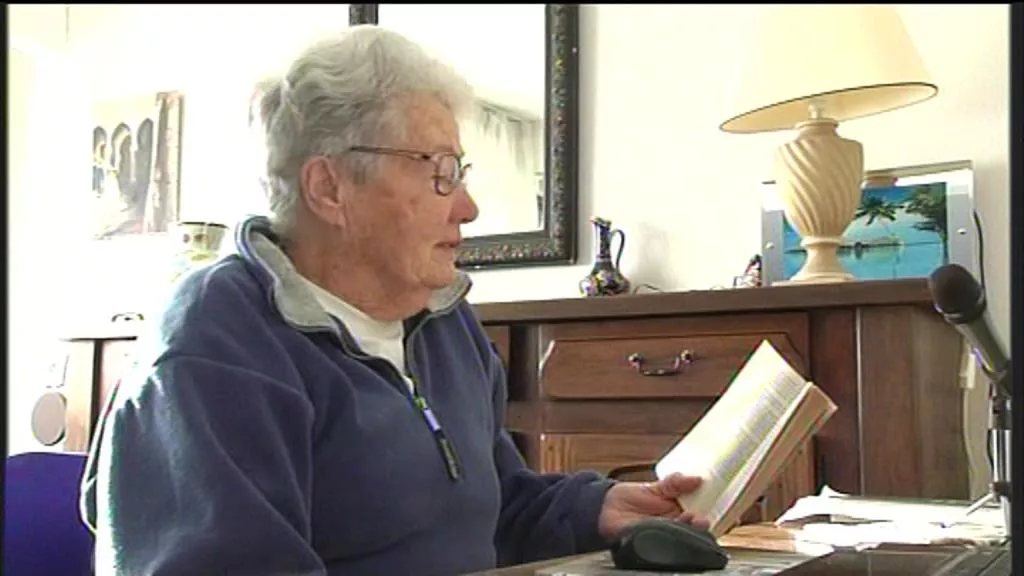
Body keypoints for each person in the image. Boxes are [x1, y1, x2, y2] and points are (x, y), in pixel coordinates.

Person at [80, 25, 709, 576]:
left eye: (460, 172)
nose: (467, 207)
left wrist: (594, 508)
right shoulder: (212, 350)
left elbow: (491, 509)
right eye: (438, 172)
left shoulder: (443, 323)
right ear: (329, 188)